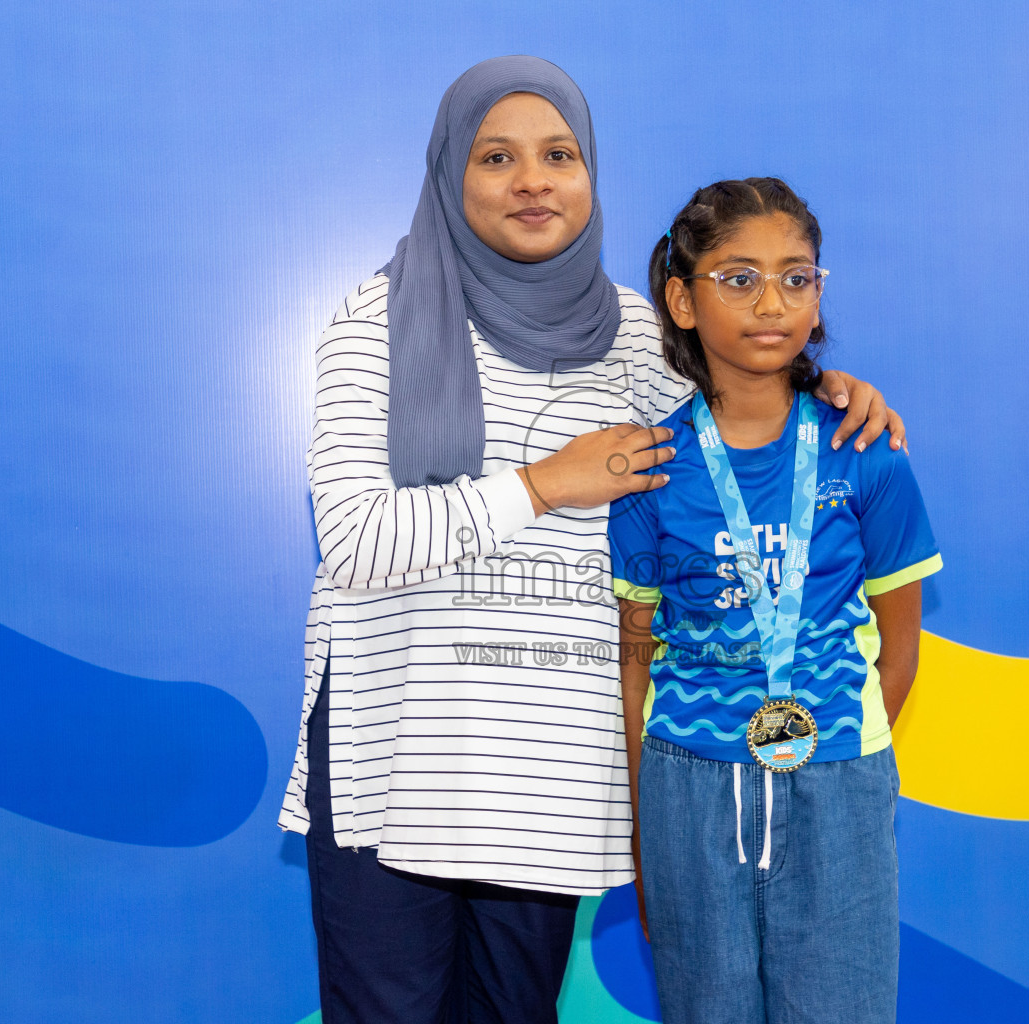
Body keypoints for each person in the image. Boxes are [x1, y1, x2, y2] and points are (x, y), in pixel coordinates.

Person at [276, 57, 906, 1024]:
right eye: (497, 157)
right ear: (451, 175)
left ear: (590, 175)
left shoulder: (640, 339)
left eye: (558, 155)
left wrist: (832, 395)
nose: (533, 181)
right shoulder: (377, 324)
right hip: (393, 767)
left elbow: (740, 418)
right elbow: (355, 538)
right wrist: (543, 483)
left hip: (543, 776)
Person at [611, 178, 942, 1024]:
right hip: (689, 784)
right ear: (682, 302)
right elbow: (635, 657)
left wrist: (837, 755)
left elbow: (899, 647)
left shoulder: (868, 453)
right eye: (739, 278)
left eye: (798, 278)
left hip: (839, 777)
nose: (772, 302)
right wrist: (650, 841)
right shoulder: (652, 470)